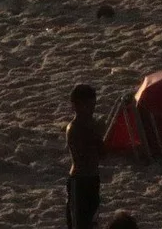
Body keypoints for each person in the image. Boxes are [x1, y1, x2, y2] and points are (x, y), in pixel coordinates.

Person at [64, 84, 103, 229]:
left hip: (93, 179)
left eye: (93, 105)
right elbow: (82, 155)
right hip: (79, 181)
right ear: (76, 106)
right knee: (78, 224)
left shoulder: (93, 125)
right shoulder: (73, 128)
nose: (91, 109)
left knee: (92, 222)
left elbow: (102, 154)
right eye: (88, 105)